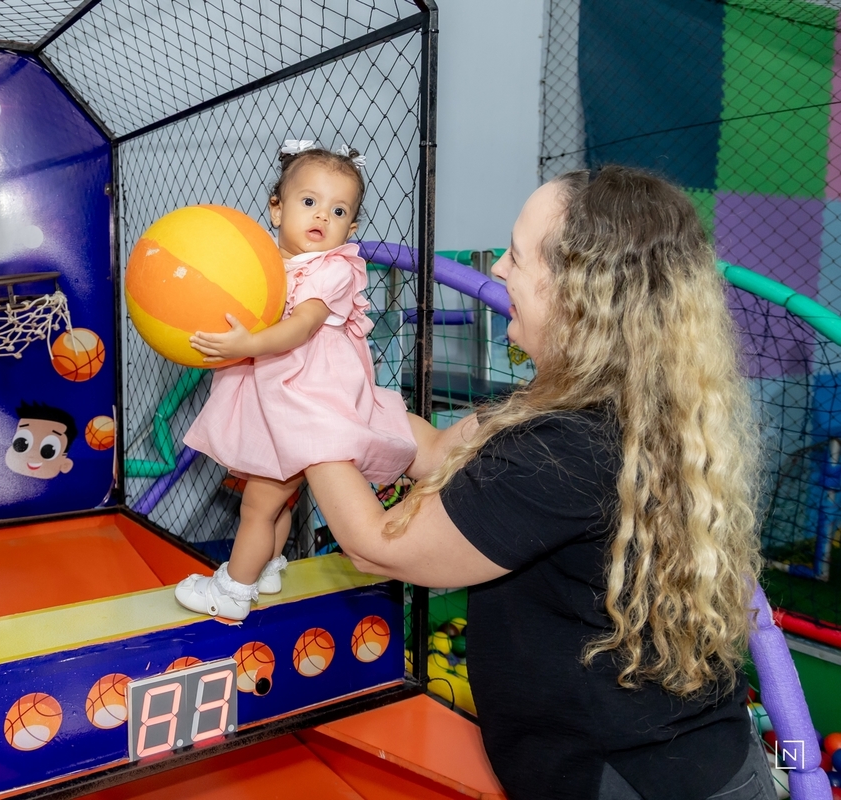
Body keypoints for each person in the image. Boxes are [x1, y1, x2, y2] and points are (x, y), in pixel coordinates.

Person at [303, 165, 777, 800]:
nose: (498, 268)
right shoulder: (609, 402)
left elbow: (376, 545)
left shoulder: (565, 447)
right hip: (686, 757)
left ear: (580, 292)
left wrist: (298, 411)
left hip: (637, 779)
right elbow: (437, 449)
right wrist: (330, 382)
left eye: (517, 256)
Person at [174, 139, 417, 621]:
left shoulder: (332, 271)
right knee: (279, 499)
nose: (323, 215)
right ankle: (267, 568)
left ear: (350, 228)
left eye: (339, 210)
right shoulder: (270, 263)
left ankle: (234, 590)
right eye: (309, 201)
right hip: (281, 398)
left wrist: (246, 344)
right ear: (277, 208)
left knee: (257, 507)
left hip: (305, 404)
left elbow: (302, 327)